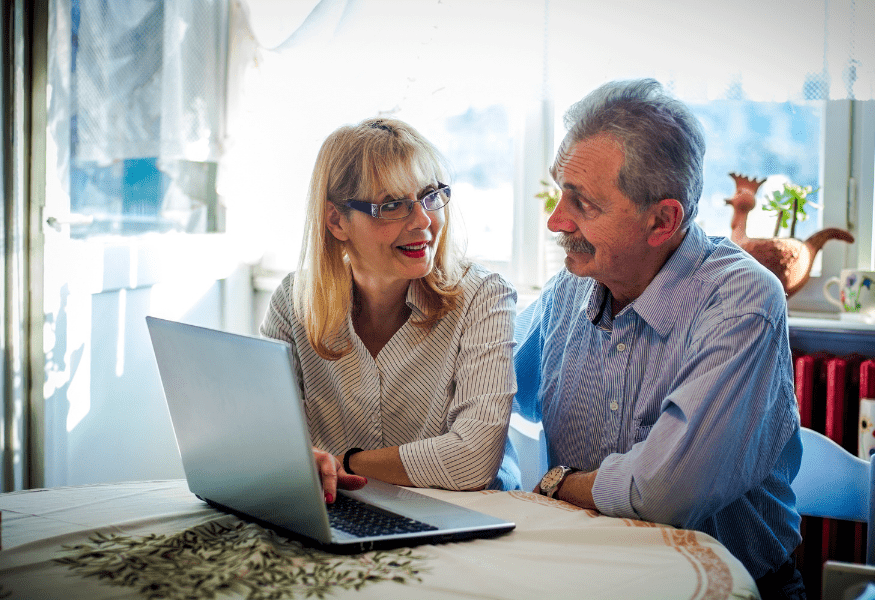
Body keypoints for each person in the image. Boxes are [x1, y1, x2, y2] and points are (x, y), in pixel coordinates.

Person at [513, 79, 805, 599]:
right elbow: (485, 386)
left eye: (582, 204)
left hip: (731, 589)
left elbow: (665, 494)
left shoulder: (742, 300)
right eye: (561, 192)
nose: (557, 220)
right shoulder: (571, 288)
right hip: (590, 581)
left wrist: (558, 483)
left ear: (663, 220)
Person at [260, 117, 519, 504]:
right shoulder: (293, 301)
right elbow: (267, 437)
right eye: (392, 205)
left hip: (463, 512)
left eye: (431, 196)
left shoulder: (482, 296)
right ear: (336, 221)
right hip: (341, 510)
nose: (423, 221)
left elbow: (472, 459)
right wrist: (288, 458)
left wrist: (342, 463)